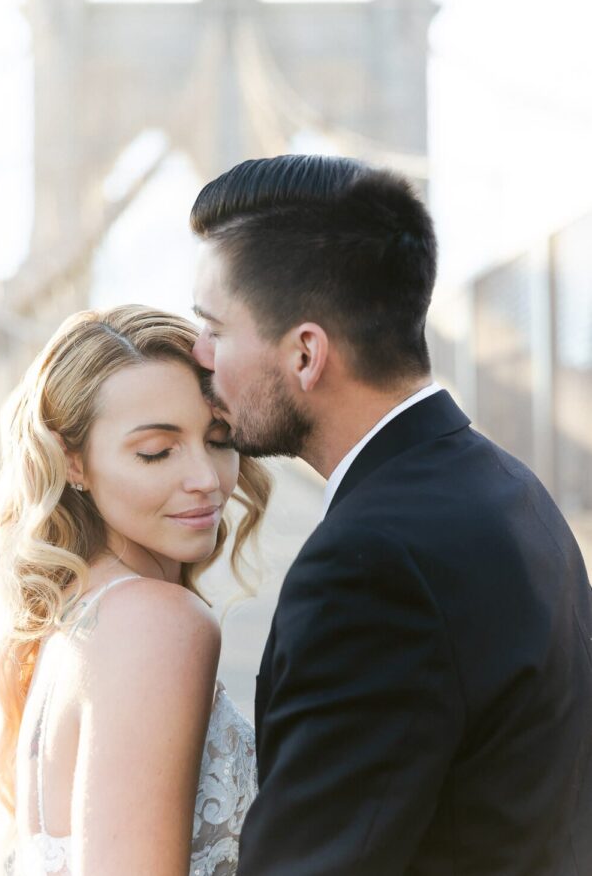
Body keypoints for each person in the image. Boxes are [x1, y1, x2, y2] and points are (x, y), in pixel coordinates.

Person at [190, 154, 592, 875]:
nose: (199, 354)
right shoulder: (511, 490)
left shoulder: (368, 564)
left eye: (214, 328)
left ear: (305, 354)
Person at [0, 305, 270, 876]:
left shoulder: (77, 620)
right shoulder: (156, 623)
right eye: (156, 451)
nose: (206, 477)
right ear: (72, 461)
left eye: (219, 439)